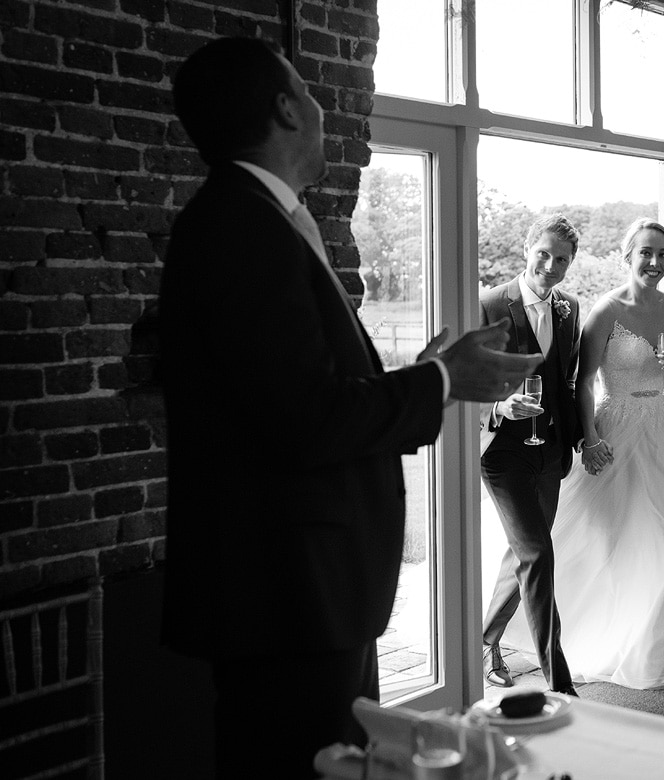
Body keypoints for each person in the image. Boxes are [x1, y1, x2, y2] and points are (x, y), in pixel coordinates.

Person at [159, 37, 540, 779]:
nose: (321, 105)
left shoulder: (257, 219)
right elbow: (307, 421)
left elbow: (296, 397)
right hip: (285, 594)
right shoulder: (241, 228)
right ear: (283, 107)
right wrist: (440, 382)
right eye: (307, 87)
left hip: (298, 589)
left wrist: (431, 370)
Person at [551, 218, 664, 690]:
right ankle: (600, 640)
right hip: (616, 432)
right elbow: (583, 382)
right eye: (646, 253)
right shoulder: (606, 310)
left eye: (663, 255)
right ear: (627, 255)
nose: (655, 263)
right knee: (614, 540)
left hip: (660, 427)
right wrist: (590, 439)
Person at [479, 214, 584, 696]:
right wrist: (500, 405)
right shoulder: (486, 304)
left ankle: (483, 642)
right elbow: (464, 377)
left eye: (561, 258)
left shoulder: (570, 308)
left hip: (549, 452)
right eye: (543, 253)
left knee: (522, 554)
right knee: (538, 553)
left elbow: (565, 382)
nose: (551, 264)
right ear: (526, 249)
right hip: (502, 453)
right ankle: (558, 682)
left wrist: (580, 438)